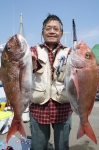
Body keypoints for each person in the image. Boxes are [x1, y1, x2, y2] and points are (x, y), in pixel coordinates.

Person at [29, 14, 72, 150]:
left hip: (63, 108)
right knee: (38, 147)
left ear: (61, 33)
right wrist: (29, 60)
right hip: (38, 109)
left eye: (55, 28)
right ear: (42, 33)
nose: (52, 31)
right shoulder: (33, 51)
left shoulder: (70, 53)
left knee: (62, 147)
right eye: (48, 28)